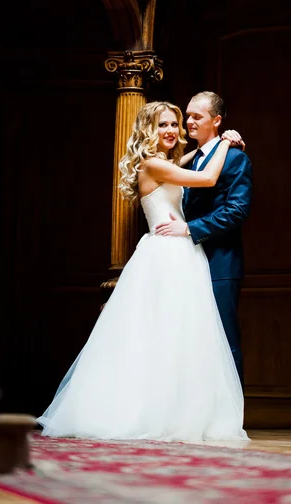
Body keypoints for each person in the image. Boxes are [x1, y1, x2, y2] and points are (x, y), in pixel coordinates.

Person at [37, 101, 249, 442]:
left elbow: (189, 162)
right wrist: (225, 140)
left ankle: (176, 410)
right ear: (148, 130)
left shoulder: (162, 163)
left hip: (181, 253)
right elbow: (207, 177)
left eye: (174, 124)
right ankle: (148, 413)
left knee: (178, 335)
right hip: (166, 254)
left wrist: (211, 145)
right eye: (162, 124)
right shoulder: (153, 165)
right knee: (159, 333)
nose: (170, 130)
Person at [155, 92, 252, 387]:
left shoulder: (235, 157)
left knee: (223, 340)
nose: (189, 122)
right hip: (185, 263)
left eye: (197, 116)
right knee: (192, 342)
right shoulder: (187, 161)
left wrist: (189, 229)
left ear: (217, 120)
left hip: (220, 263)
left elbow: (237, 210)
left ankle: (231, 417)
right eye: (188, 116)